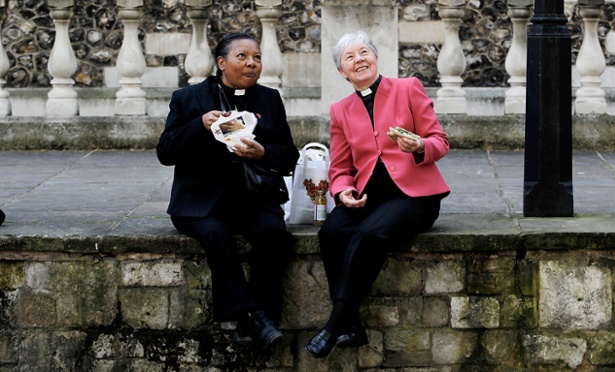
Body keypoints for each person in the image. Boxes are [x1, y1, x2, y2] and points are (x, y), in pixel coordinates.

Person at [304, 31, 451, 358]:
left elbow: (440, 141)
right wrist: (343, 192)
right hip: (369, 196)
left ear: (375, 57)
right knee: (331, 232)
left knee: (367, 234)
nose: (359, 60)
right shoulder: (340, 110)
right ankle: (353, 326)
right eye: (350, 57)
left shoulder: (407, 88)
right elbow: (340, 167)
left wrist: (420, 146)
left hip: (415, 197)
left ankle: (335, 323)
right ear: (342, 71)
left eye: (364, 52)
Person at [157, 32, 299, 351]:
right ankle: (256, 317)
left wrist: (263, 152)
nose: (252, 63)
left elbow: (290, 155)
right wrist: (199, 125)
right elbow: (165, 152)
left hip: (254, 198)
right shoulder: (188, 99)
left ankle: (253, 322)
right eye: (243, 57)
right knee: (214, 234)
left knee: (274, 233)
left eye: (257, 58)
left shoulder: (269, 99)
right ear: (221, 63)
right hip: (200, 203)